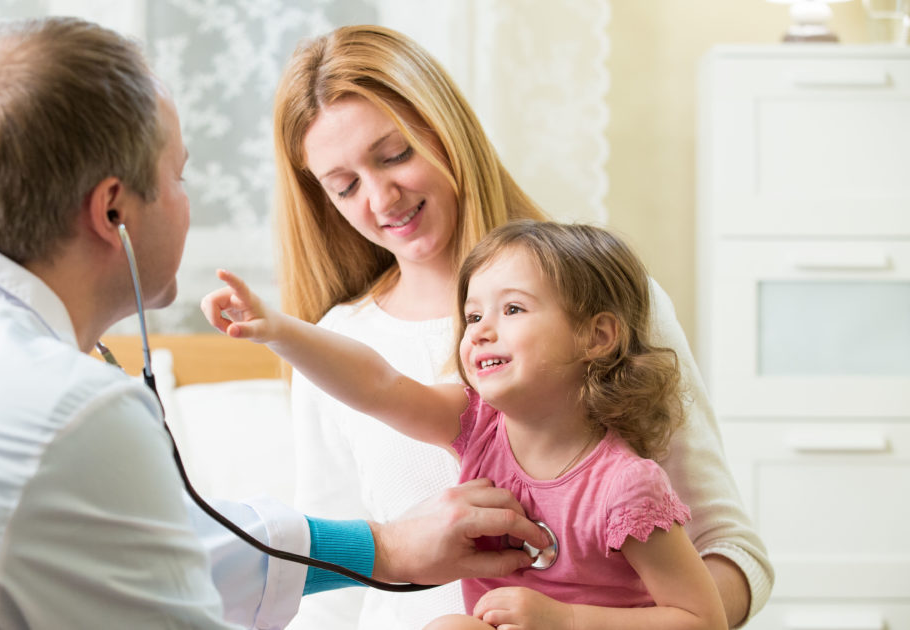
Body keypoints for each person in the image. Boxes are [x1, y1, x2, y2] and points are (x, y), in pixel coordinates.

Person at [0, 18, 553, 629]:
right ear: (113, 209)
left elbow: (161, 546)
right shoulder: (68, 413)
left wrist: (386, 547)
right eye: (179, 175)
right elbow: (170, 584)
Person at [270, 24, 773, 629]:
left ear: (446, 131)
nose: (380, 199)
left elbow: (729, 547)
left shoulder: (597, 300)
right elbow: (332, 592)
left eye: (396, 154)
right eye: (345, 187)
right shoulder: (336, 346)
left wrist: (582, 621)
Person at [203, 220, 728, 630]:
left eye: (513, 309)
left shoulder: (625, 486)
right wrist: (279, 331)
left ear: (597, 337)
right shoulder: (479, 426)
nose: (480, 332)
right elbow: (378, 385)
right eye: (473, 317)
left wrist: (565, 621)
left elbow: (700, 618)